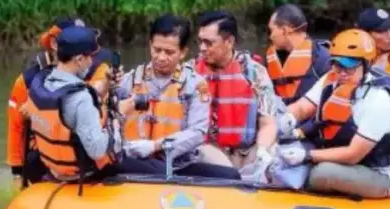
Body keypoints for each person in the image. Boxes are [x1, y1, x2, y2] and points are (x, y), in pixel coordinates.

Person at [277, 30, 390, 199]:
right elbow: (303, 107)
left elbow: (353, 154)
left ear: (366, 64)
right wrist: (284, 120)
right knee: (283, 149)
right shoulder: (331, 78)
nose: (342, 73)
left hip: (378, 173)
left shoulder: (378, 99)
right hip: (338, 155)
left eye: (350, 67)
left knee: (321, 173)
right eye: (337, 65)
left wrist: (307, 156)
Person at [115, 15, 241, 180]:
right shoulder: (130, 80)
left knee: (230, 175)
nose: (161, 57)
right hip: (135, 161)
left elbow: (198, 132)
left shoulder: (195, 84)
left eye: (169, 52)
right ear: (150, 45)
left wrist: (155, 146)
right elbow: (110, 115)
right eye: (156, 50)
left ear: (182, 52)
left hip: (179, 164)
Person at [7, 16, 115, 183]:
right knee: (32, 160)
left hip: (84, 154)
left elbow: (87, 100)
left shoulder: (99, 69)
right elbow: (16, 127)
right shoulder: (27, 81)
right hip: (45, 157)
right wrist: (16, 172)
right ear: (55, 44)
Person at [22, 26, 133, 182]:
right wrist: (119, 117)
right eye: (90, 57)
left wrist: (107, 84)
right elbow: (97, 151)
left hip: (52, 167)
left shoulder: (42, 82)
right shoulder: (80, 99)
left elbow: (73, 101)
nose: (92, 61)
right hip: (82, 174)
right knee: (149, 165)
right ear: (79, 59)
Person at [193, 10, 278, 171]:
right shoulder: (190, 73)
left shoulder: (255, 73)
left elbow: (268, 124)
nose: (202, 48)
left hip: (246, 152)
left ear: (229, 42)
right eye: (200, 42)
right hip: (208, 151)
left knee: (272, 154)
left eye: (209, 43)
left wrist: (262, 150)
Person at [264, 4, 331, 106]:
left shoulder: (323, 59)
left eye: (272, 30)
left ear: (284, 30)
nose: (270, 36)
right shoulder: (269, 60)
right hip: (278, 118)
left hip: (308, 119)